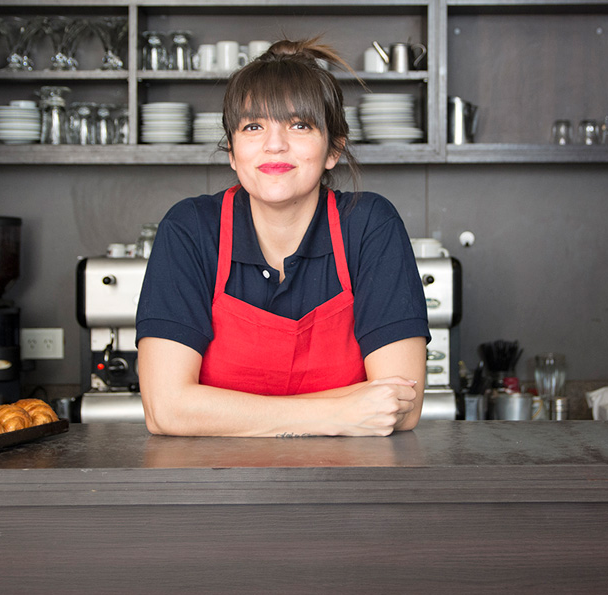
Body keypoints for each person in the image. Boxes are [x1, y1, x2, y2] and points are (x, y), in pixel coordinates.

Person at [135, 38, 429, 437]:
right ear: (233, 153)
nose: (275, 144)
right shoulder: (190, 229)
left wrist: (215, 409)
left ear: (333, 150)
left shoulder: (369, 224)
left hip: (353, 490)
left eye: (299, 124)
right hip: (213, 490)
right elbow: (166, 410)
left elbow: (399, 408)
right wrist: (338, 412)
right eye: (253, 126)